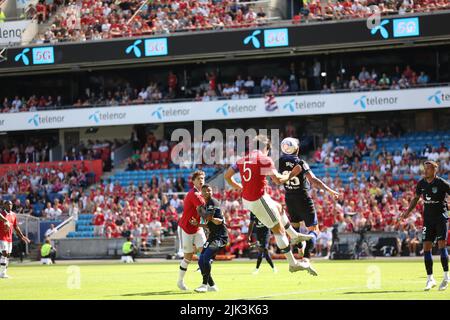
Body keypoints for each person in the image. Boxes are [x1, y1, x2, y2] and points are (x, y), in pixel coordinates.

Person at [224, 135, 313, 274]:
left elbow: (227, 176)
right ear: (266, 148)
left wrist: (239, 187)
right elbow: (278, 181)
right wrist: (292, 174)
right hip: (258, 199)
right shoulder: (264, 159)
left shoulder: (242, 160)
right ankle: (293, 263)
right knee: (278, 230)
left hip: (248, 198)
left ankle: (294, 235)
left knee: (279, 207)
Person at [279, 137, 340, 275]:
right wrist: (330, 191)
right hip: (303, 198)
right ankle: (306, 258)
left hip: (289, 198)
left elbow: (275, 177)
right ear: (297, 148)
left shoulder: (279, 162)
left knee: (295, 228)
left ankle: (299, 250)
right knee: (314, 230)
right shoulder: (300, 162)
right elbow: (313, 180)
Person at [401, 161, 449, 291]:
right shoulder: (421, 183)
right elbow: (416, 198)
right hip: (428, 220)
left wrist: (448, 211)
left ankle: (446, 277)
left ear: (434, 170)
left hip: (440, 219)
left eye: (428, 169)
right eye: (425, 168)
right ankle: (430, 279)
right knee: (426, 247)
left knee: (441, 246)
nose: (425, 171)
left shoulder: (442, 183)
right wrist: (407, 212)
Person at [193, 184, 228, 292]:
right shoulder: (207, 204)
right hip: (212, 236)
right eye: (205, 191)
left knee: (206, 258)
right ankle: (212, 286)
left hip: (220, 237)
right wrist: (198, 225)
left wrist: (200, 211)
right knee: (200, 260)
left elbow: (209, 217)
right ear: (202, 193)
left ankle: (204, 285)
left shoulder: (213, 202)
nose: (207, 192)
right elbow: (210, 223)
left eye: (209, 190)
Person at [177, 170, 207, 291]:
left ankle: (207, 283)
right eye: (198, 178)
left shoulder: (202, 193)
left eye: (202, 179)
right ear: (193, 181)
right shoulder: (194, 194)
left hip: (197, 227)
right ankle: (180, 281)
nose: (201, 180)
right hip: (187, 228)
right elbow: (202, 212)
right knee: (188, 257)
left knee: (205, 253)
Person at [0, 200, 31, 278]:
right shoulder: (2, 213)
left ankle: (3, 273)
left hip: (9, 238)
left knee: (8, 256)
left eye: (11, 204)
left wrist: (22, 236)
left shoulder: (13, 215)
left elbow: (16, 227)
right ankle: (2, 274)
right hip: (1, 237)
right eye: (7, 204)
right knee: (5, 253)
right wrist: (5, 220)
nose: (10, 206)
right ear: (4, 205)